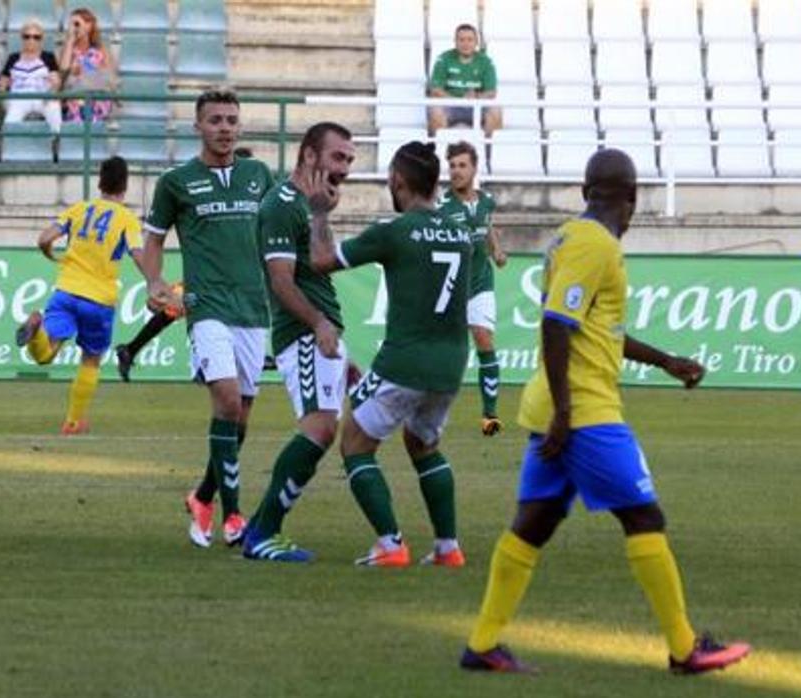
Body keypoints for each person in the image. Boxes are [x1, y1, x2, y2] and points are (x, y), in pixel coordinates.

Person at [460, 149, 751, 675]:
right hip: (583, 410)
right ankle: (686, 648)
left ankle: (482, 643)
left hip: (556, 403)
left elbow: (596, 328)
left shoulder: (572, 237)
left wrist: (664, 361)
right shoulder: (595, 245)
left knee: (535, 522)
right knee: (644, 515)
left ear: (584, 190)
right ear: (634, 198)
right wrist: (567, 415)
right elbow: (556, 324)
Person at [308, 141, 472, 567]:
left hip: (406, 359)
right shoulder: (460, 232)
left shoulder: (394, 232)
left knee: (356, 445)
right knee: (423, 444)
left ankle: (390, 543)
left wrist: (319, 212)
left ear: (398, 181)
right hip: (452, 362)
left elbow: (321, 260)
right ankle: (447, 548)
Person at [139, 89, 275, 549]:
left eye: (232, 120)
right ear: (197, 126)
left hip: (254, 307)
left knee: (240, 420)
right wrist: (154, 283)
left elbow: (279, 228)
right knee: (229, 401)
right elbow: (152, 239)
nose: (224, 127)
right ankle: (234, 515)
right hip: (207, 306)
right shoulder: (177, 181)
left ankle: (201, 495)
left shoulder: (259, 175)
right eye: (215, 119)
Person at [238, 123, 357, 562]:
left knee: (325, 428)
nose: (344, 168)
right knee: (320, 428)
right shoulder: (280, 205)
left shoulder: (309, 205)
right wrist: (320, 325)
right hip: (302, 333)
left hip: (321, 333)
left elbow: (320, 267)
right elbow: (282, 283)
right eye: (338, 157)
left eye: (348, 160)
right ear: (309, 155)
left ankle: (258, 526)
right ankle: (264, 532)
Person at [15, 157, 144, 435]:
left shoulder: (78, 209)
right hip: (98, 300)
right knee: (91, 359)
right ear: (125, 185)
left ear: (99, 182)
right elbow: (137, 253)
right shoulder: (126, 219)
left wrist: (51, 254)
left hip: (65, 292)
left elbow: (43, 239)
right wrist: (155, 281)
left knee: (44, 355)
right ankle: (73, 422)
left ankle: (36, 329)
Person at [113, 147, 258, 382]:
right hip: (209, 279)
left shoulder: (246, 205)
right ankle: (200, 362)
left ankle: (130, 350)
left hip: (230, 280)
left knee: (176, 311)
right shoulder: (221, 200)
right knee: (182, 310)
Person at [437, 141, 508, 435]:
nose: (456, 171)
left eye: (462, 165)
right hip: (451, 288)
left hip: (480, 282)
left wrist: (497, 251)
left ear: (474, 168)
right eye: (452, 166)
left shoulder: (486, 201)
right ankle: (431, 411)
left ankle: (489, 415)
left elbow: (487, 227)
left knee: (483, 339)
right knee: (447, 351)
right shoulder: (443, 206)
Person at [428, 24, 501, 136]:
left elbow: (492, 92)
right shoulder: (443, 59)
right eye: (461, 40)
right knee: (435, 111)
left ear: (476, 42)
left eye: (470, 40)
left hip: (476, 105)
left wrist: (476, 97)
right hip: (450, 104)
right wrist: (456, 100)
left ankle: (488, 150)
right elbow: (435, 89)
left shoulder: (485, 61)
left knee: (495, 111)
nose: (465, 44)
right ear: (455, 41)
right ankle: (440, 150)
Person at [0, 19, 62, 131]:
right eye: (27, 36)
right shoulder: (13, 58)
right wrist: (6, 96)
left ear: (41, 39)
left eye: (36, 37)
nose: (31, 40)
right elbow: (3, 84)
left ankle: (56, 139)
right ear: (22, 38)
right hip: (19, 96)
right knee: (11, 119)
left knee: (53, 105)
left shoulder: (48, 57)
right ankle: (8, 143)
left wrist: (51, 92)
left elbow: (56, 82)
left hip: (42, 96)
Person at [58, 6, 115, 124]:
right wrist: (70, 40)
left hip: (97, 95)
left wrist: (85, 73)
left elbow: (109, 77)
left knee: (87, 106)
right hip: (75, 95)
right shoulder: (69, 48)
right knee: (76, 104)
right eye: (71, 24)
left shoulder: (101, 49)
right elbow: (63, 69)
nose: (74, 28)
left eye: (77, 24)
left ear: (89, 26)